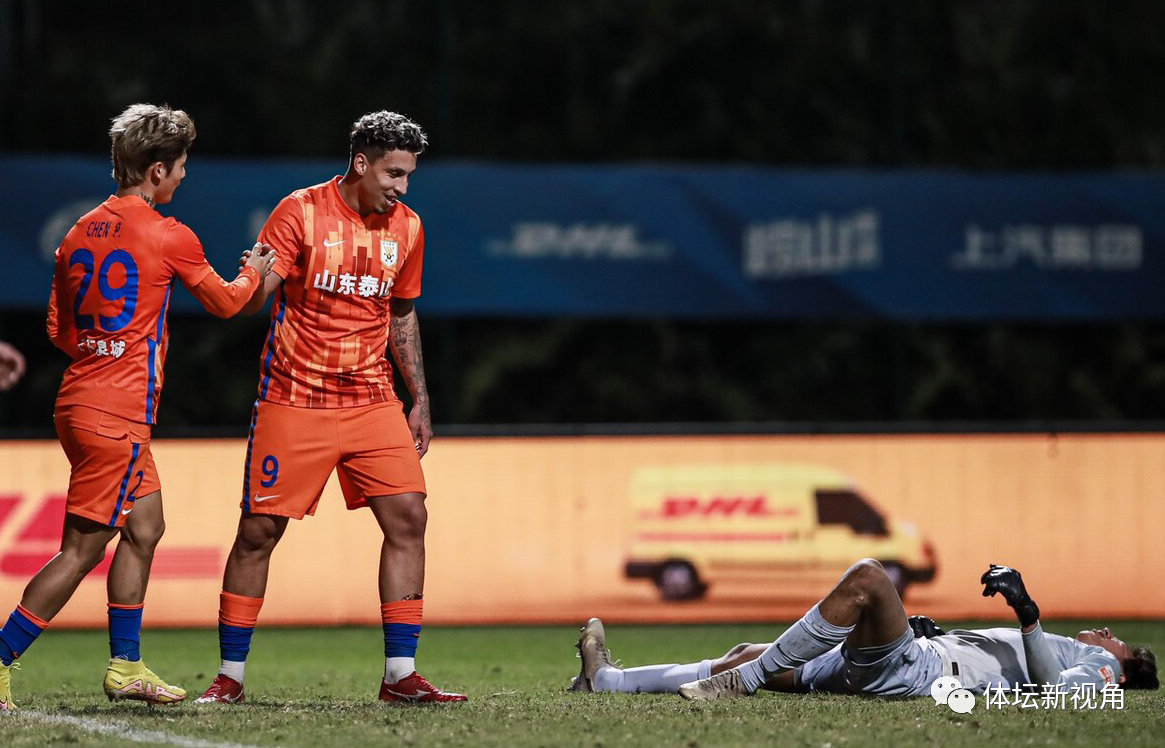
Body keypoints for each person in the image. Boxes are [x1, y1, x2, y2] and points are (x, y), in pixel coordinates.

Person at [0, 103, 275, 711]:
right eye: (180, 166)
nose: (183, 176)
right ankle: (0, 657)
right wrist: (257, 273)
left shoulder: (77, 231)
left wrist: (103, 345)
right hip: (118, 413)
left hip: (79, 401)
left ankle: (125, 665)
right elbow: (229, 304)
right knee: (81, 550)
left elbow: (59, 331)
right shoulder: (170, 234)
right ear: (156, 170)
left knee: (145, 527)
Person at [194, 111, 465, 705]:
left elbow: (401, 313)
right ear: (361, 163)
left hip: (372, 397)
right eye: (393, 174)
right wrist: (248, 282)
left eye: (409, 175)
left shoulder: (409, 228)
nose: (402, 187)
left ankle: (400, 675)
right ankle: (229, 678)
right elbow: (255, 299)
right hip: (295, 397)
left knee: (409, 517)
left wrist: (419, 397)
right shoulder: (300, 212)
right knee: (258, 532)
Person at [570, 559, 1158, 699]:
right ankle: (608, 682)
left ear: (1125, 667)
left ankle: (741, 683)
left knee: (869, 578)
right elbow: (994, 659)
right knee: (748, 650)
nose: (1108, 633)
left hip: (919, 674)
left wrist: (1027, 612)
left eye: (1118, 641)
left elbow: (1055, 692)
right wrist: (929, 630)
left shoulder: (1102, 672)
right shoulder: (1060, 645)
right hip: (920, 657)